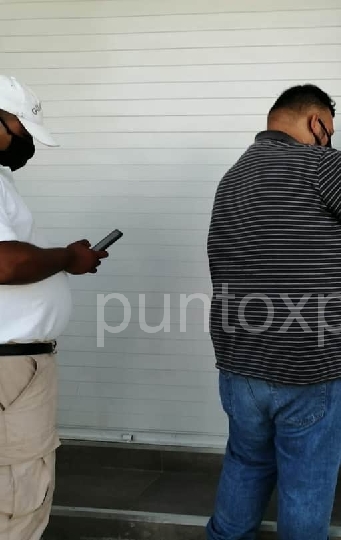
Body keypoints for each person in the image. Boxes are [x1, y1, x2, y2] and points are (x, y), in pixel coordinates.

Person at [205, 84, 341, 540]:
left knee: (245, 466)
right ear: (316, 122)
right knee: (306, 489)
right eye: (330, 129)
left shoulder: (234, 176)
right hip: (312, 372)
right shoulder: (320, 164)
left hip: (240, 367)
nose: (330, 138)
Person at [0, 75, 108, 540]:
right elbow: (5, 262)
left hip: (13, 362)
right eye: (21, 131)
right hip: (10, 367)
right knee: (19, 492)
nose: (25, 145)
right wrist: (67, 258)